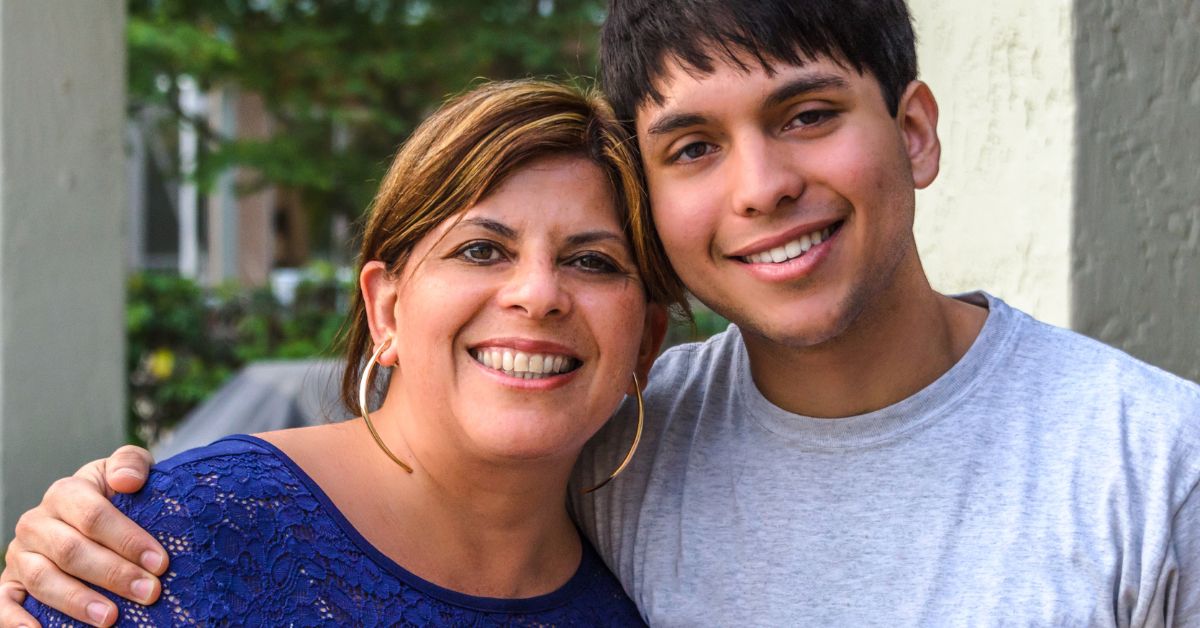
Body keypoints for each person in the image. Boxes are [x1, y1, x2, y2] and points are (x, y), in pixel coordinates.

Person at [5, 0, 1200, 625]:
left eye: (807, 114)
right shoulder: (607, 441)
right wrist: (74, 531)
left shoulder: (1154, 462)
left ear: (918, 129)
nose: (761, 185)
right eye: (691, 145)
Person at [4, 78, 689, 626]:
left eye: (593, 262)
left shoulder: (645, 596)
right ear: (385, 308)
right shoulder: (176, 539)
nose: (538, 295)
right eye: (481, 250)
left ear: (646, 342)